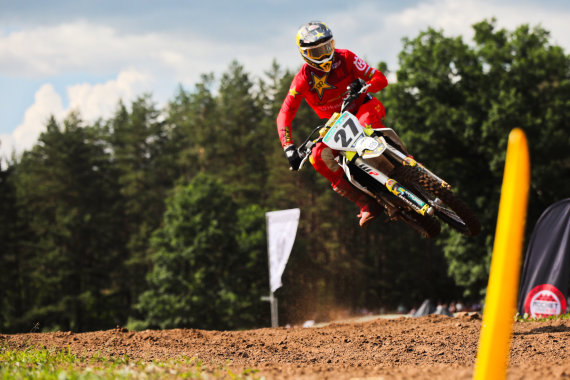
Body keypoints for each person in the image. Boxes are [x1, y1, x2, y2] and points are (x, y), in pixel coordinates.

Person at [277, 21, 389, 227]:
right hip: (336, 122)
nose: (325, 54)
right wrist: (289, 148)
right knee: (317, 157)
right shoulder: (302, 79)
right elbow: (284, 114)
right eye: (317, 51)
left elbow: (381, 79)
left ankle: (410, 166)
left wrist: (365, 85)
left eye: (327, 47)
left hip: (363, 107)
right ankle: (365, 203)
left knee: (366, 129)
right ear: (305, 54)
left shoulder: (346, 57)